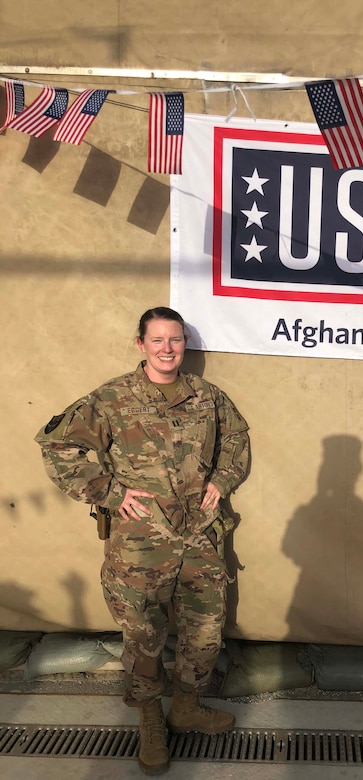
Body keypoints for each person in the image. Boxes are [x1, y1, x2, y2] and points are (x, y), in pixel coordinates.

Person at [34, 306, 250, 776]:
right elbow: (57, 444)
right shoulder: (112, 398)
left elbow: (235, 440)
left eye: (175, 340)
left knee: (205, 629)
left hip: (199, 536)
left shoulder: (207, 396)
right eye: (157, 340)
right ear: (141, 344)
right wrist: (109, 492)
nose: (167, 349)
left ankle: (187, 706)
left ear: (184, 345)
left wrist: (223, 481)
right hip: (141, 544)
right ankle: (150, 718)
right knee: (144, 634)